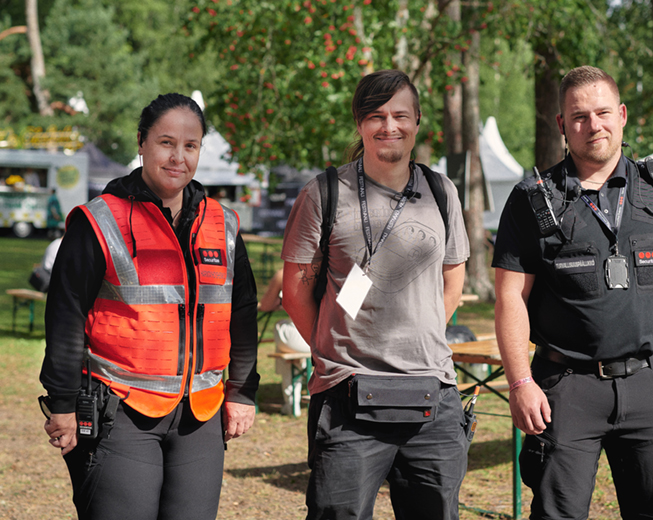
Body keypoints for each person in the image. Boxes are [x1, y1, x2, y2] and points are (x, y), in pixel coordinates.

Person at [493, 66, 653, 520]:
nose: (592, 125)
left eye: (602, 113)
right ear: (562, 125)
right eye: (578, 116)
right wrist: (520, 383)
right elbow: (509, 299)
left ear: (621, 115)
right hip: (566, 389)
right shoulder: (533, 201)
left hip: (652, 386)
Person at [39, 93, 260, 520]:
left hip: (201, 414)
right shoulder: (98, 221)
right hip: (120, 411)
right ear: (141, 143)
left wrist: (242, 391)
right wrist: (63, 404)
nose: (179, 157)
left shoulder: (224, 224)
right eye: (166, 143)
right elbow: (65, 317)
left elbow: (243, 312)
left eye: (190, 145)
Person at [281, 69, 471, 519]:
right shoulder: (324, 193)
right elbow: (295, 292)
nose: (390, 126)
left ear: (418, 121)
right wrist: (339, 348)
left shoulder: (441, 192)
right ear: (360, 123)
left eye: (400, 115)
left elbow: (453, 281)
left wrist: (414, 337)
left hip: (433, 393)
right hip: (347, 395)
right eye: (377, 116)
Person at [258, 268, 311, 416]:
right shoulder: (328, 265)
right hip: (323, 334)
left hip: (297, 337)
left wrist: (280, 303)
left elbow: (265, 305)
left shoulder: (283, 273)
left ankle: (291, 403)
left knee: (281, 328)